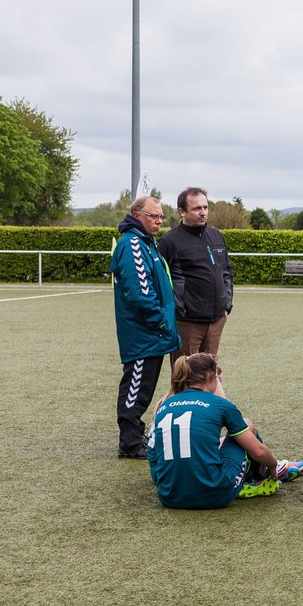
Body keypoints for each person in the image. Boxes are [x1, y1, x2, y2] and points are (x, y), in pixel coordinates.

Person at [148, 353, 279, 509]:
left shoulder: (163, 406)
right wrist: (273, 464)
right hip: (215, 495)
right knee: (246, 425)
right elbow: (259, 452)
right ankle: (261, 476)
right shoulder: (221, 405)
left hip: (169, 496)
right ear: (211, 375)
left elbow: (153, 459)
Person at [112, 195, 181, 459]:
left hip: (152, 334)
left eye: (161, 216)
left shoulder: (146, 243)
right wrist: (161, 320)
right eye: (154, 216)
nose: (160, 220)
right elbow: (140, 293)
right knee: (136, 387)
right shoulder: (132, 245)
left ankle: (134, 435)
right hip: (143, 335)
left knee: (143, 388)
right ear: (137, 214)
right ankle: (129, 443)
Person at [158, 188, 233, 362]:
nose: (203, 213)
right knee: (185, 375)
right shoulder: (169, 241)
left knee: (209, 374)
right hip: (186, 322)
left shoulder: (216, 236)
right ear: (182, 211)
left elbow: (226, 272)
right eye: (197, 208)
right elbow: (159, 281)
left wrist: (226, 305)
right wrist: (175, 311)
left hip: (216, 320)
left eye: (205, 208)